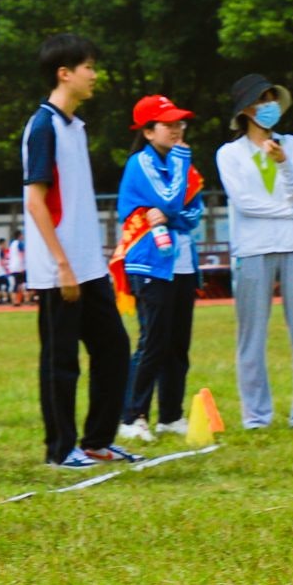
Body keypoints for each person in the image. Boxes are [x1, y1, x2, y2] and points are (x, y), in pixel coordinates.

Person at [22, 34, 131, 467]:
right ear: (64, 73)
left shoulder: (75, 127)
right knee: (61, 361)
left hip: (88, 267)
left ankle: (96, 441)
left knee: (114, 349)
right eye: (88, 67)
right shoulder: (44, 125)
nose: (95, 75)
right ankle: (60, 448)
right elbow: (36, 200)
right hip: (59, 270)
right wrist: (62, 265)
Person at [218, 72, 293, 429]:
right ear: (245, 109)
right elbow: (246, 204)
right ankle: (257, 416)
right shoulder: (229, 154)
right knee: (251, 334)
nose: (269, 106)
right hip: (254, 248)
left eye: (272, 99)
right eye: (262, 100)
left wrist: (282, 163)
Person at [116, 93, 205, 437]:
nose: (177, 130)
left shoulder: (183, 166)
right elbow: (168, 198)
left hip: (181, 263)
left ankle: (170, 415)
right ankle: (132, 416)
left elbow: (191, 213)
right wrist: (182, 162)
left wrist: (168, 215)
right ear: (148, 131)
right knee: (152, 342)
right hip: (150, 264)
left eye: (179, 123)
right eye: (168, 124)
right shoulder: (141, 163)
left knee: (177, 344)